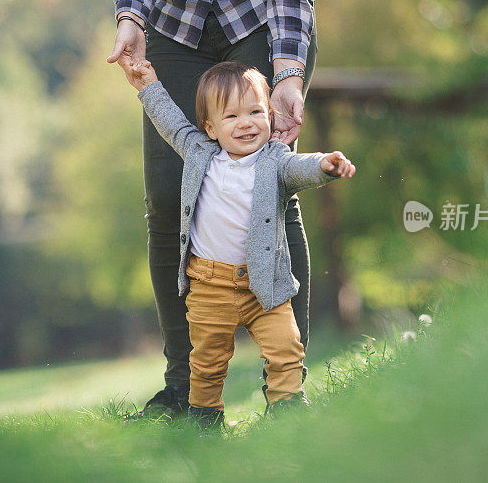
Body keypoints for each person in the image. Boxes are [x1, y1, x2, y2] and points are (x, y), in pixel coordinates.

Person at [109, 0, 320, 417]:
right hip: (174, 19)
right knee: (167, 200)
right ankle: (184, 390)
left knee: (272, 189)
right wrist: (130, 16)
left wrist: (288, 74)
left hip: (260, 17)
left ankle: (287, 388)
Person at [126, 59, 355, 426]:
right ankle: (205, 420)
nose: (246, 123)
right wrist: (147, 85)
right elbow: (169, 122)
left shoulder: (276, 160)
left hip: (264, 284)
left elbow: (302, 168)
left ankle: (287, 411)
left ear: (269, 115)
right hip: (209, 285)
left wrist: (325, 165)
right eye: (231, 117)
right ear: (210, 128)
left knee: (286, 347)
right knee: (206, 362)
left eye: (255, 112)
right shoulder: (200, 152)